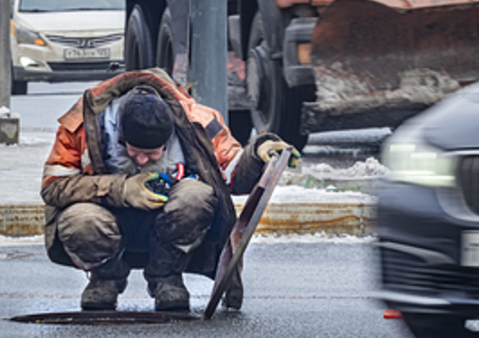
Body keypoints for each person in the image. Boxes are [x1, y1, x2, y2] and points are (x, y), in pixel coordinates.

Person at [40, 68, 300, 311]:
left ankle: (167, 279)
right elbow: (53, 187)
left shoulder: (198, 121)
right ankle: (103, 281)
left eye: (152, 154)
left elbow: (232, 174)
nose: (142, 161)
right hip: (107, 217)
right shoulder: (84, 124)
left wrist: (258, 153)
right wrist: (122, 188)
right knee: (79, 218)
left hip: (171, 224)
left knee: (196, 195)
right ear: (120, 135)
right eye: (135, 152)